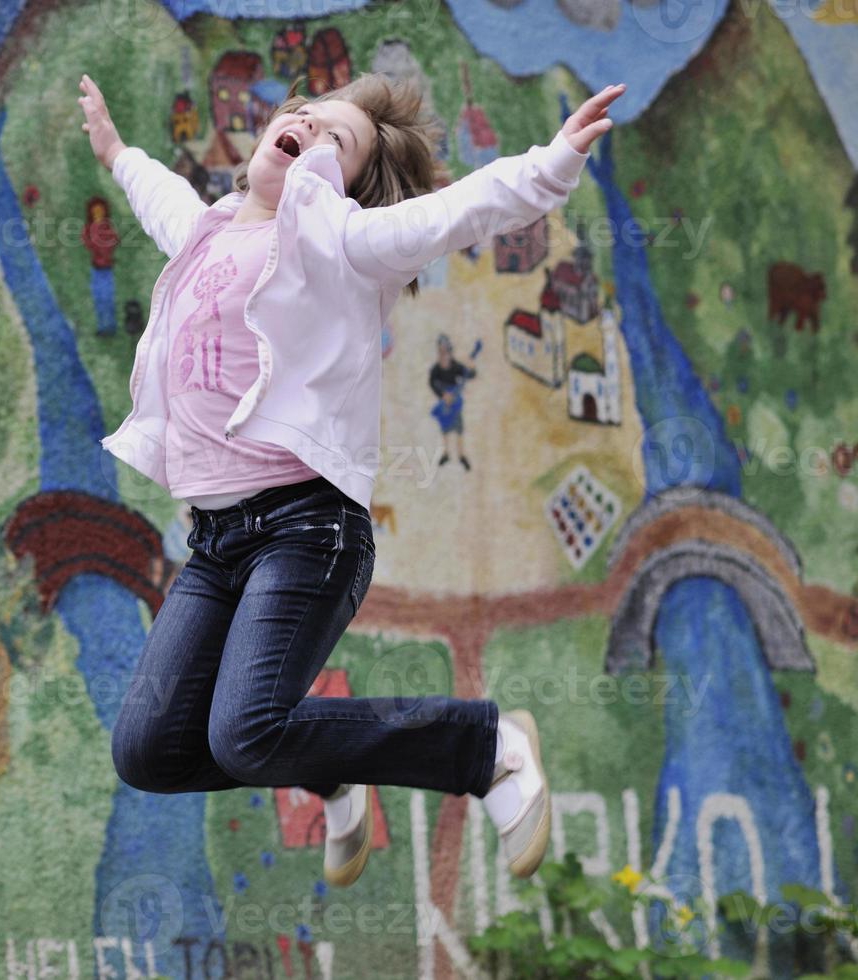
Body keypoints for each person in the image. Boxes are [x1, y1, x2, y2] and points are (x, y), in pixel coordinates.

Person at [80, 69, 621, 885]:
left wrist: (551, 163)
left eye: (339, 139)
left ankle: (488, 747)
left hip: (306, 531)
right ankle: (329, 766)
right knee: (148, 751)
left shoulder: (343, 245)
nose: (308, 129)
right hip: (217, 543)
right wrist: (117, 150)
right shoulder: (208, 231)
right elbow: (163, 199)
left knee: (244, 732)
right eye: (301, 117)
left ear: (349, 186)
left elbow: (454, 212)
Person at [429, 333, 480, 470]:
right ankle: (446, 454)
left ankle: (461, 455)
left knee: (459, 429)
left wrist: (472, 367)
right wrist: (443, 395)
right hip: (445, 405)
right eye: (441, 352)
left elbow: (470, 375)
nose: (444, 355)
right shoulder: (436, 370)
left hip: (455, 404)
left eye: (446, 352)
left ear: (450, 352)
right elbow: (432, 383)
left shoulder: (456, 367)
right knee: (445, 429)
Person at [83, 196, 121, 335]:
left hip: (107, 268)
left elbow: (114, 240)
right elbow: (87, 242)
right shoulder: (89, 228)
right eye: (95, 211)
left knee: (108, 298)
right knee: (99, 298)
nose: (98, 214)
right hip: (96, 268)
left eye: (100, 211)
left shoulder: (107, 228)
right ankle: (102, 326)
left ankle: (110, 326)